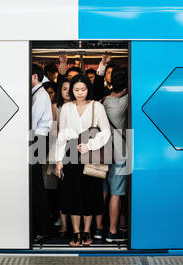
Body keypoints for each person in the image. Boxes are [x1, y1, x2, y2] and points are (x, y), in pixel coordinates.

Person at [55, 74, 111, 247]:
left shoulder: (97, 106)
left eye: (83, 89)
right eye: (76, 90)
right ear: (72, 90)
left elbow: (106, 131)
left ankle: (87, 231)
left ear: (88, 89)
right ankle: (76, 232)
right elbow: (62, 134)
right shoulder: (66, 108)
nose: (79, 93)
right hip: (70, 152)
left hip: (90, 152)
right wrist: (58, 160)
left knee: (90, 194)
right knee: (72, 195)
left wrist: (91, 145)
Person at [95, 70, 129, 242]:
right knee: (116, 194)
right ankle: (113, 232)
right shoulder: (124, 101)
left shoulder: (103, 101)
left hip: (102, 153)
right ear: (124, 89)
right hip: (120, 153)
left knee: (102, 192)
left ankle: (98, 229)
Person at [31, 64, 53, 242]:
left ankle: (42, 227)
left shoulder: (39, 95)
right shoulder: (40, 93)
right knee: (36, 183)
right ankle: (41, 226)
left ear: (34, 77)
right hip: (38, 140)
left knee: (36, 184)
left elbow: (32, 121)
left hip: (37, 140)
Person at [49, 78, 71, 237]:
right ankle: (63, 224)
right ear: (60, 91)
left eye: (70, 89)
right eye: (64, 89)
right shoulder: (54, 107)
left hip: (75, 151)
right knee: (62, 190)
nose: (68, 92)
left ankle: (74, 223)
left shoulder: (78, 106)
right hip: (59, 151)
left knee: (74, 189)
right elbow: (52, 131)